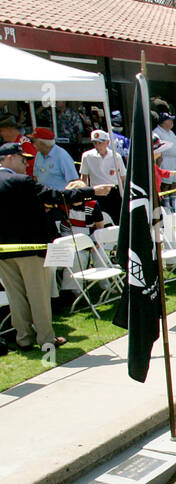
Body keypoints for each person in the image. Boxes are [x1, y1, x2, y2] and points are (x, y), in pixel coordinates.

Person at [0, 142, 92, 350]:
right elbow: (55, 196)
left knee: (16, 296)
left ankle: (23, 338)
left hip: (4, 251)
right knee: (38, 294)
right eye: (23, 160)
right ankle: (45, 338)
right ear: (8, 158)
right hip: (30, 247)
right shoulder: (21, 181)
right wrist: (91, 191)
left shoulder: (17, 180)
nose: (26, 165)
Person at [78, 130, 126, 224]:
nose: (97, 146)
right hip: (96, 192)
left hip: (113, 193)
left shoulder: (116, 156)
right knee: (99, 221)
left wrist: (125, 194)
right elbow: (84, 177)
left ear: (107, 143)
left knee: (118, 220)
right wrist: (84, 194)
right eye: (95, 143)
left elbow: (123, 177)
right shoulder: (87, 156)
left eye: (100, 143)